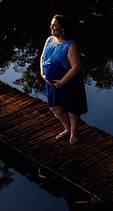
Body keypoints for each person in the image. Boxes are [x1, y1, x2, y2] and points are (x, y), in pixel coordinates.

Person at [40, 14, 87, 144]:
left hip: (68, 82)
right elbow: (42, 57)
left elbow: (76, 67)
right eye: (51, 24)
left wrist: (62, 82)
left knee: (72, 108)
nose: (51, 27)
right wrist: (42, 73)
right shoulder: (49, 40)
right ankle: (67, 129)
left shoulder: (71, 45)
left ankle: (73, 132)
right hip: (51, 83)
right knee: (55, 107)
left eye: (55, 25)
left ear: (63, 29)